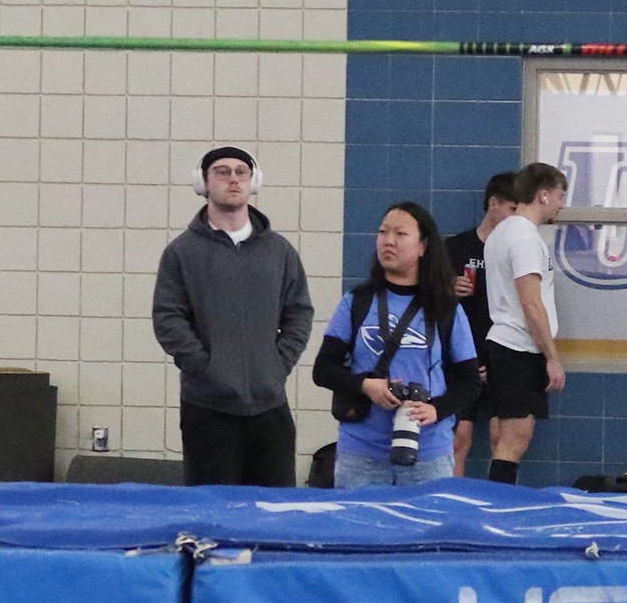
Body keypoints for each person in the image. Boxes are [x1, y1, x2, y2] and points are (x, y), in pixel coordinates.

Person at [152, 146, 315, 487]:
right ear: (204, 182)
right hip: (208, 409)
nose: (233, 179)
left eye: (241, 171)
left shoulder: (280, 251)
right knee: (213, 515)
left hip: (270, 406)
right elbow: (168, 318)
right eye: (222, 172)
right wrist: (205, 367)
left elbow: (299, 313)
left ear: (253, 181)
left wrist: (276, 364)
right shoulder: (182, 252)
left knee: (274, 512)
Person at [312, 202, 480, 487]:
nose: (388, 241)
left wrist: (436, 409)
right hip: (361, 455)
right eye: (382, 232)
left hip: (428, 455)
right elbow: (323, 369)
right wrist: (366, 385)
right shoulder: (357, 301)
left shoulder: (445, 308)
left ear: (422, 247)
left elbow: (470, 381)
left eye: (401, 234)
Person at [481, 162, 570, 485]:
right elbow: (531, 303)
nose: (562, 204)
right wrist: (552, 357)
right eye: (561, 196)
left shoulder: (500, 233)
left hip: (503, 343)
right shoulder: (525, 238)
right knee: (515, 438)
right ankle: (500, 507)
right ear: (543, 195)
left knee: (502, 435)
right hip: (518, 346)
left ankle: (498, 499)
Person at [445, 172, 522, 476]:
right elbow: (427, 300)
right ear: (494, 204)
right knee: (458, 440)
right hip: (464, 352)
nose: (518, 218)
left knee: (501, 439)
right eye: (513, 209)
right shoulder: (456, 248)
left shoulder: (518, 249)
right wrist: (448, 288)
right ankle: (453, 504)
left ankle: (496, 506)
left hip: (502, 352)